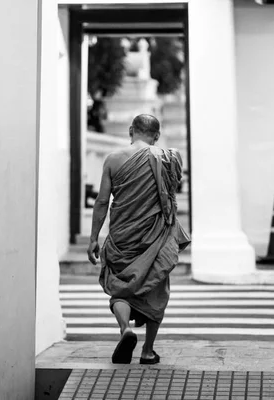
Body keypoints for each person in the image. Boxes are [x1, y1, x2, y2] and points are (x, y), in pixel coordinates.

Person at [87, 114, 191, 365]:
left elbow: (102, 201)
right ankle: (147, 351)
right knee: (157, 289)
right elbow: (169, 195)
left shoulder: (112, 159)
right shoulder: (168, 159)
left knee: (120, 288)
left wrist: (93, 238)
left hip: (123, 235)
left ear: (131, 130)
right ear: (156, 136)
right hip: (156, 234)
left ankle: (125, 330)